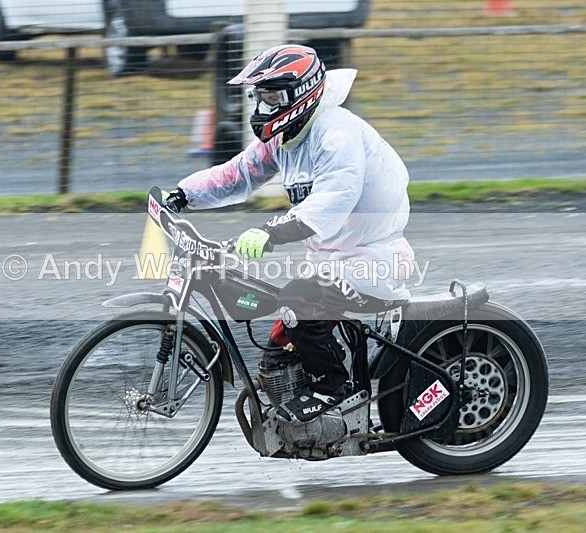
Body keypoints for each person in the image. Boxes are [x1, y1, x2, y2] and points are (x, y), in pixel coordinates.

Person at [163, 44, 414, 423]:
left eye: (271, 98)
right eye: (259, 98)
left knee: (299, 297)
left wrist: (269, 233)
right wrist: (182, 195)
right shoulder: (286, 138)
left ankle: (334, 388)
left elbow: (332, 201)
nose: (263, 108)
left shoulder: (335, 132)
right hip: (333, 259)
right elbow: (237, 174)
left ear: (302, 94)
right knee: (280, 345)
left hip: (376, 259)